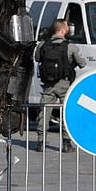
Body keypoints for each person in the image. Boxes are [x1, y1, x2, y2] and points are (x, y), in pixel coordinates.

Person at [33, 19, 86, 153]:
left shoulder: (43, 45)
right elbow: (83, 64)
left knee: (44, 112)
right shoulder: (70, 47)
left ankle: (41, 142)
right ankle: (66, 143)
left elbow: (37, 58)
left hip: (48, 84)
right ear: (63, 30)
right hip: (64, 84)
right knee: (66, 112)